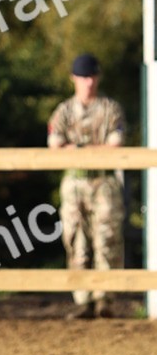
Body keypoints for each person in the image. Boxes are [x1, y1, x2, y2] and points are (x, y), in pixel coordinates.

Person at [47, 52, 125, 319]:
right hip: (74, 181)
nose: (88, 82)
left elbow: (116, 144)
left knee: (107, 239)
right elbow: (54, 144)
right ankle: (82, 299)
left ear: (98, 78)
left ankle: (105, 300)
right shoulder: (65, 111)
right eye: (83, 77)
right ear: (74, 79)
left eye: (91, 76)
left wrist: (76, 147)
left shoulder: (110, 109)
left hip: (104, 181)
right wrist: (89, 149)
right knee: (75, 240)